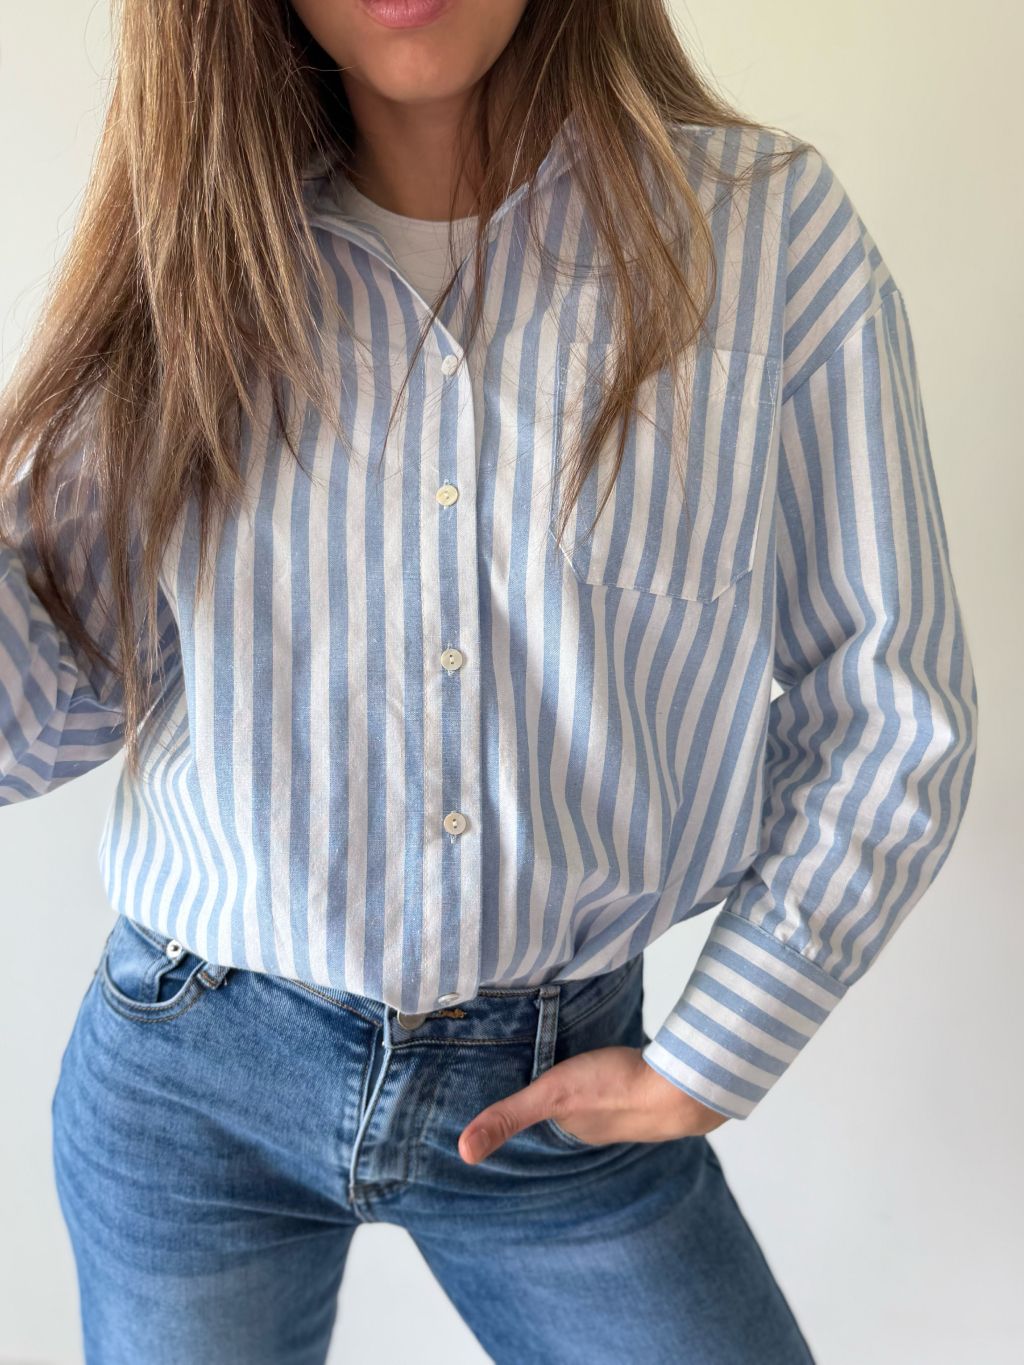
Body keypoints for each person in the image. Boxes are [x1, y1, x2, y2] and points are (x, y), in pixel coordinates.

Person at [0, 1, 978, 1362]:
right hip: (193, 1077)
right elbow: (49, 700)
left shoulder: (765, 237)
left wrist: (721, 1047)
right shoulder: (196, 251)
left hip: (559, 1100)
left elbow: (890, 699)